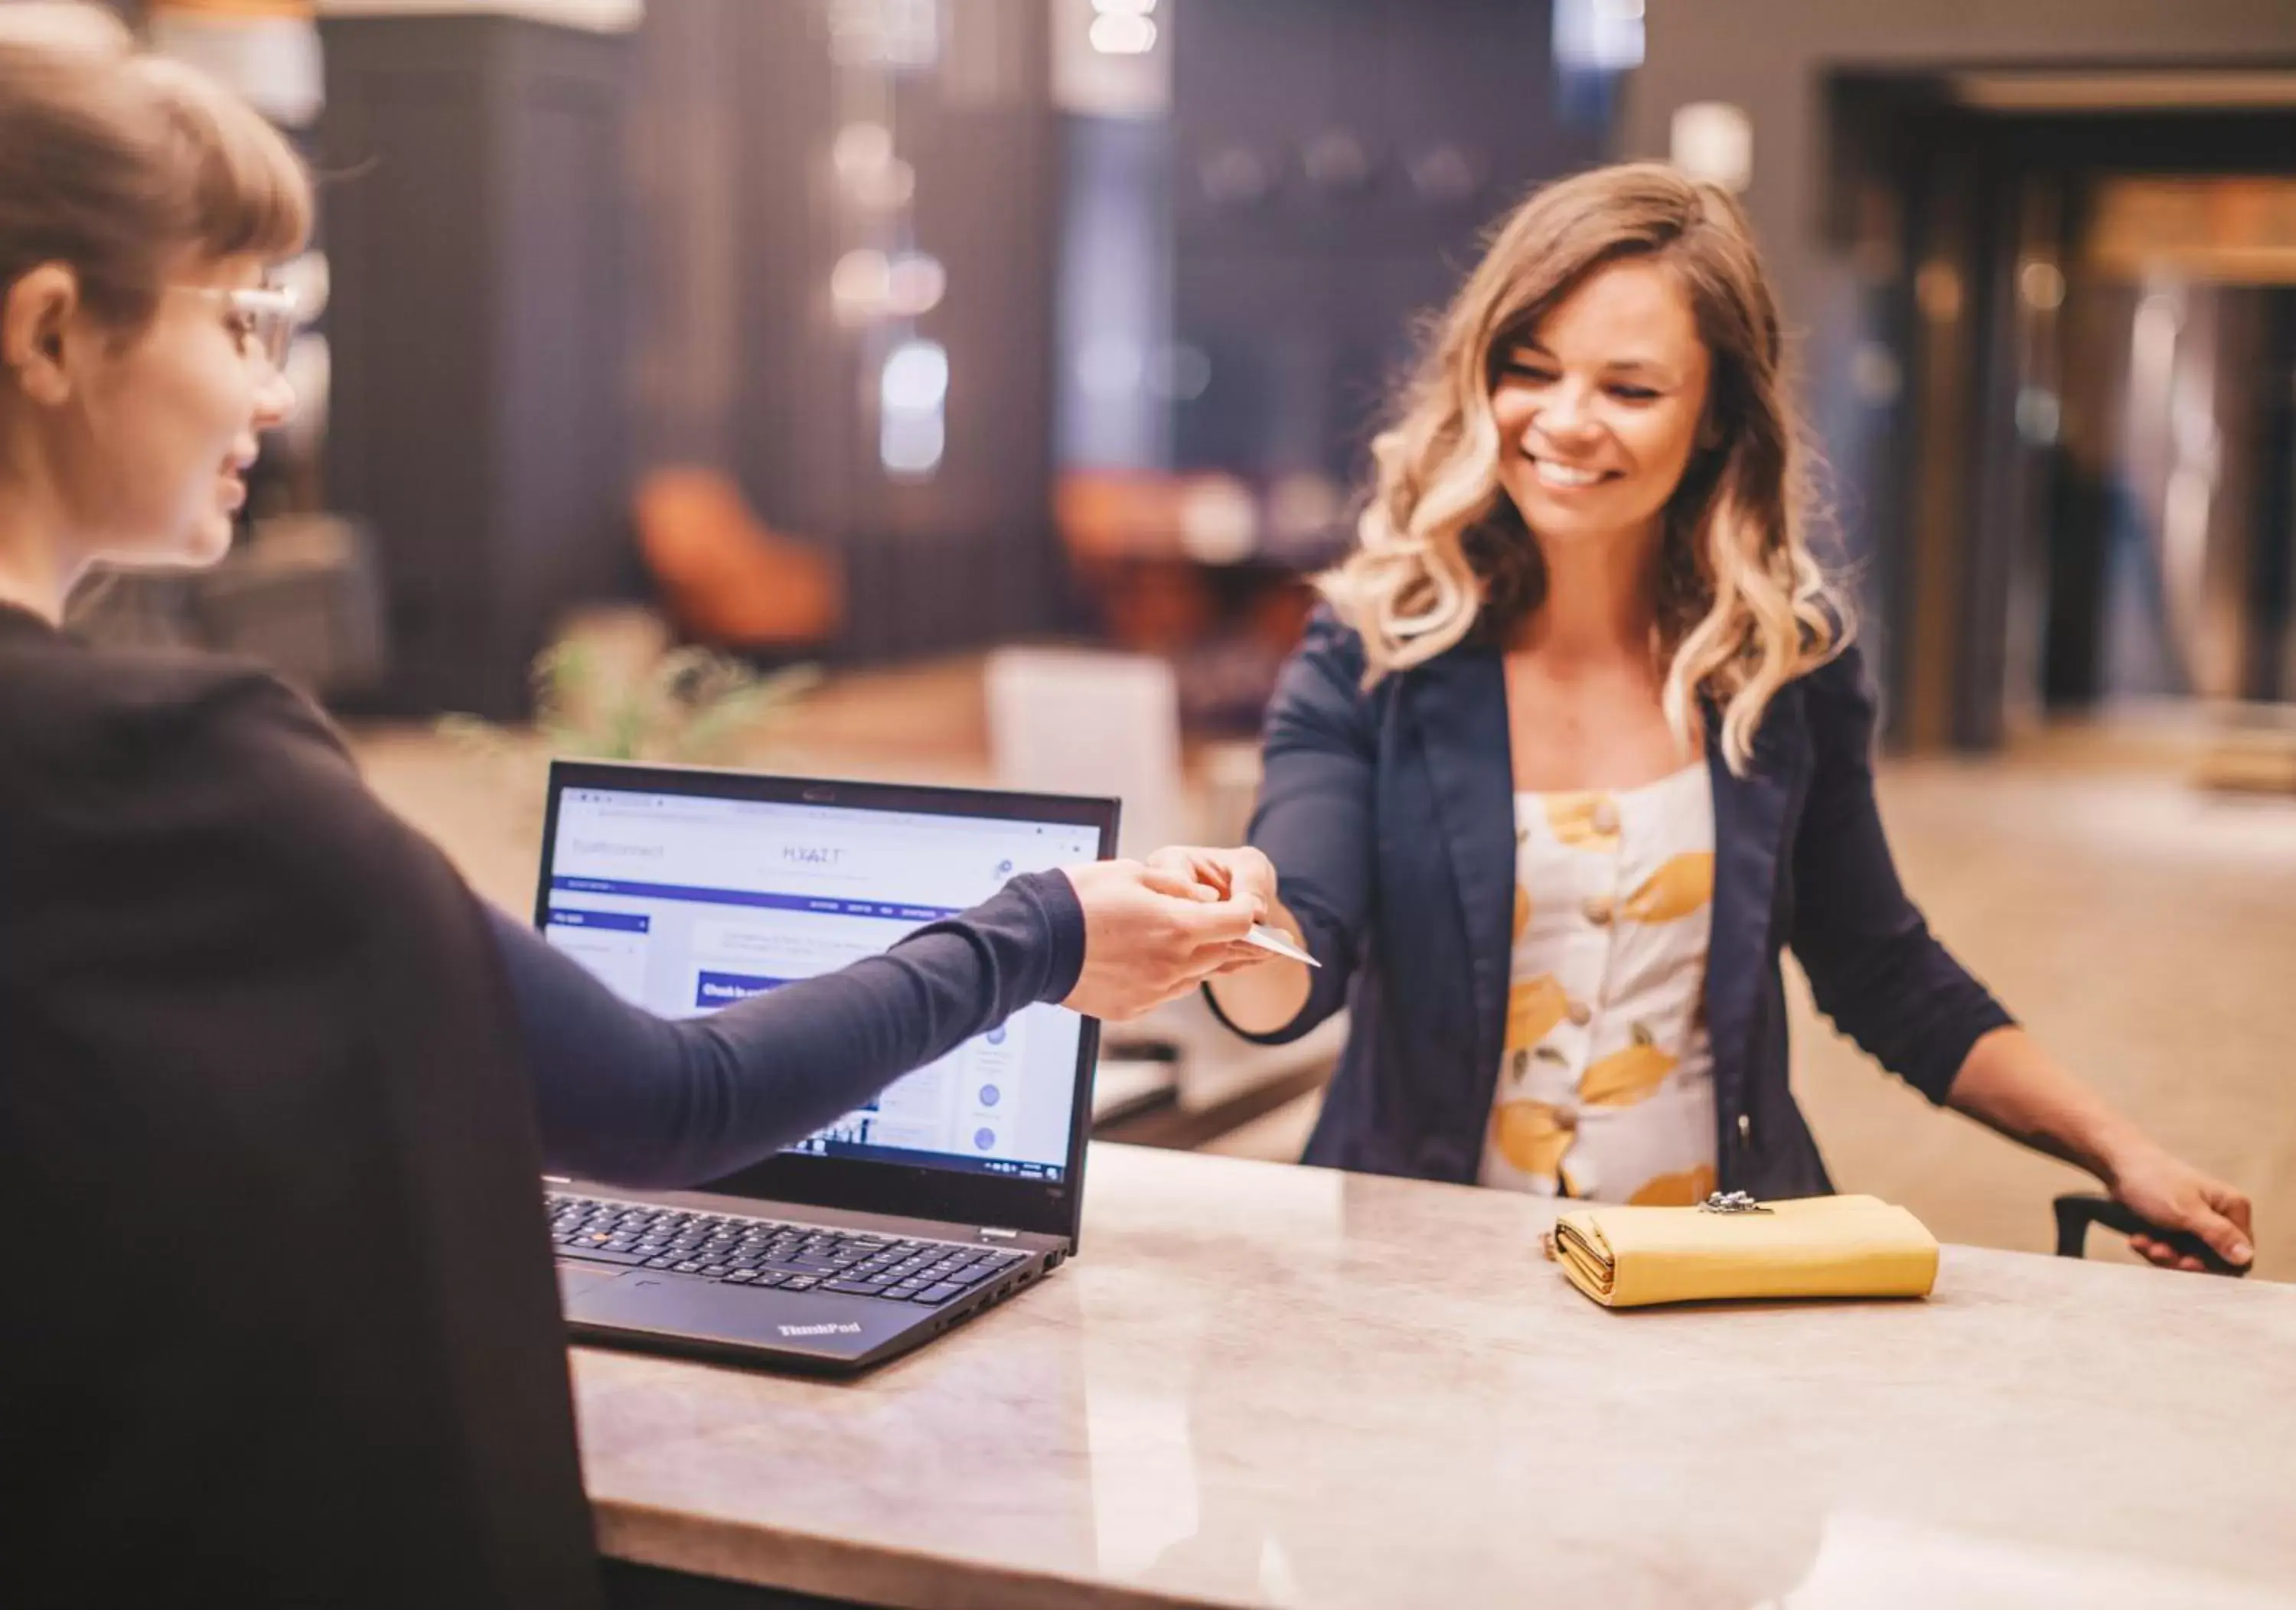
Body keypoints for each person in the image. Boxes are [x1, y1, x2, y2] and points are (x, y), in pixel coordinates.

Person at [0, 9, 1267, 1603]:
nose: (267, 385)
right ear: (51, 333)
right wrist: (1040, 928)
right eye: (242, 317)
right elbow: (665, 1102)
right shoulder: (174, 768)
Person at [1179, 162, 2253, 1274]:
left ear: (1713, 420)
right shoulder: (1374, 648)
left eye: (1630, 390)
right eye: (1529, 368)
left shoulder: (1782, 658)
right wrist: (1234, 928)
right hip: (1422, 1278)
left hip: (1712, 1273)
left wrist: (2120, 1150)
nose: (1564, 420)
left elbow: (1880, 968)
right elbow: (1289, 970)